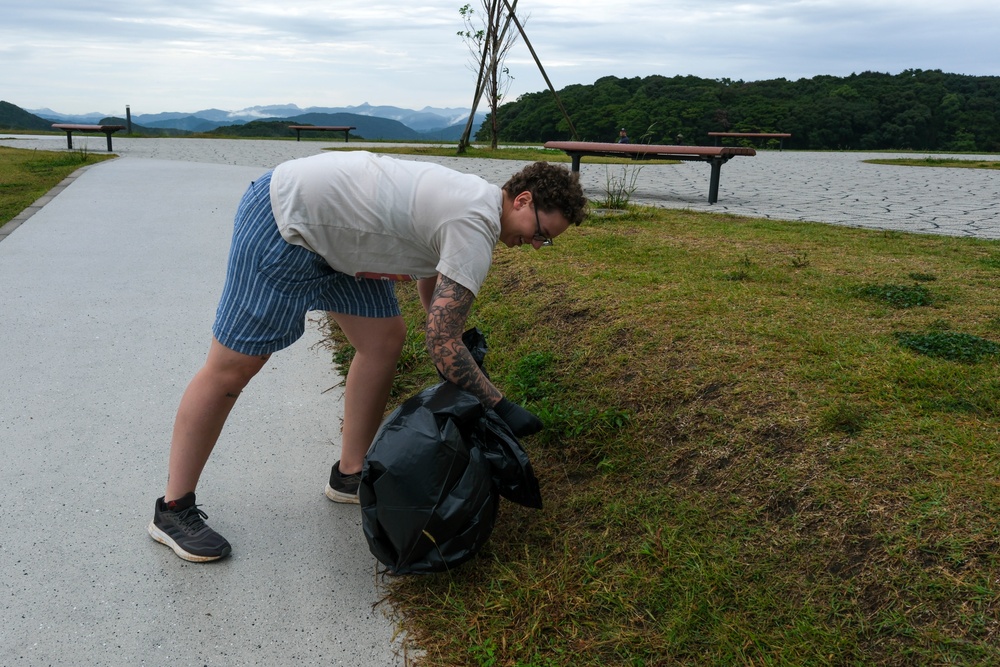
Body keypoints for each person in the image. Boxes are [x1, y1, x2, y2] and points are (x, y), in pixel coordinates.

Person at [147, 151, 588, 562]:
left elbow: (433, 280)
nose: (534, 245)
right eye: (541, 234)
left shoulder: (476, 202)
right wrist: (500, 404)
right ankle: (172, 508)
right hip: (287, 221)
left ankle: (350, 473)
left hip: (339, 241)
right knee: (231, 369)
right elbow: (442, 344)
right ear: (523, 200)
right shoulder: (476, 223)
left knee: (383, 341)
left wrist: (447, 333)